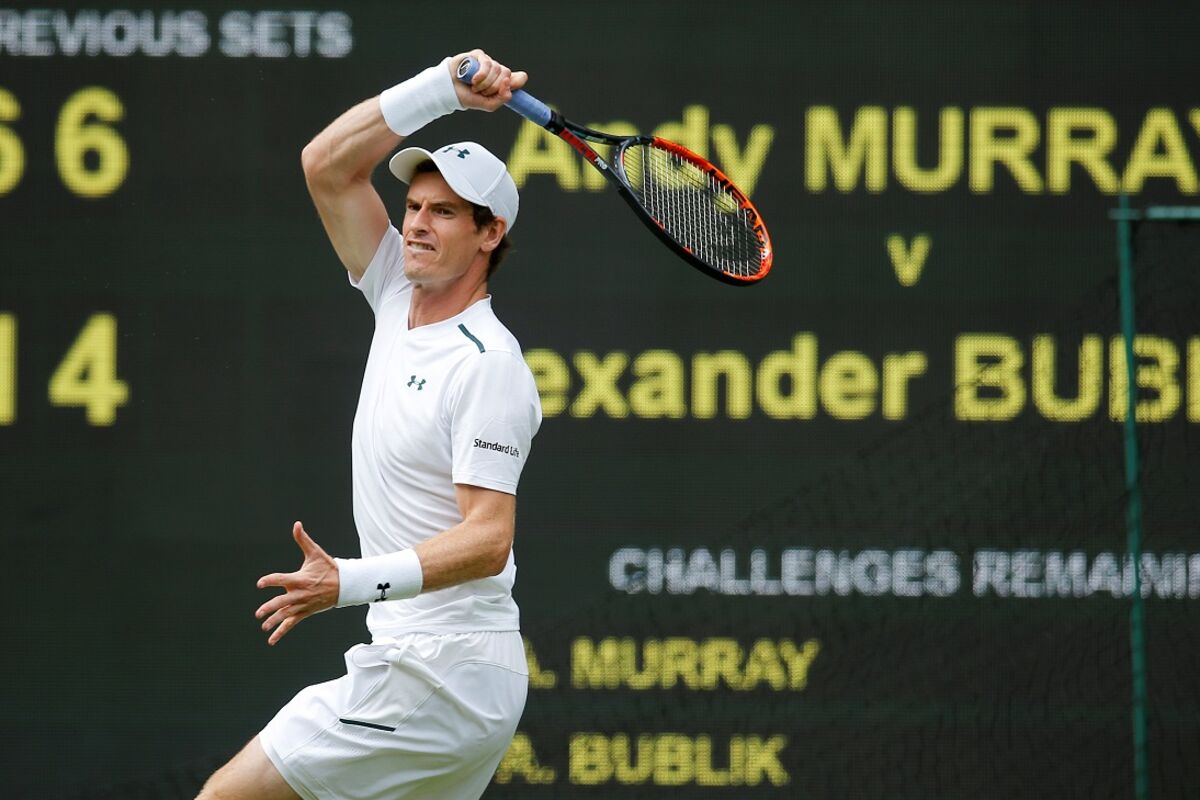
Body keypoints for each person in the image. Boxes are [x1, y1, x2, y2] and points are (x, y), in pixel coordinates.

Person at [197, 49, 542, 800]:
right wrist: (444, 88)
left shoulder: (488, 363)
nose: (416, 224)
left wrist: (346, 582)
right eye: (413, 207)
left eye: (443, 213)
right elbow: (326, 165)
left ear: (489, 234)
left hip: (443, 673)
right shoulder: (392, 290)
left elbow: (489, 539)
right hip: (437, 670)